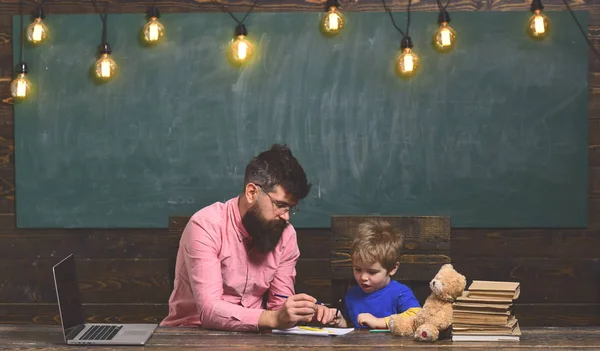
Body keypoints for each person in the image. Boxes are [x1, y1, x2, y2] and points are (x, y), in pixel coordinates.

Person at [161, 144, 328, 331]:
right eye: (280, 205)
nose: (286, 216)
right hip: (191, 333)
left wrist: (298, 311)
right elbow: (209, 311)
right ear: (252, 192)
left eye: (290, 208)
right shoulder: (206, 225)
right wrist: (272, 318)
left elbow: (278, 307)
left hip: (255, 336)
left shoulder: (286, 235)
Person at [316, 219, 422, 329]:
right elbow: (352, 328)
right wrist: (340, 322)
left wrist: (379, 322)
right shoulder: (352, 294)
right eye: (357, 269)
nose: (363, 277)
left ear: (392, 268)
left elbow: (417, 316)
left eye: (372, 272)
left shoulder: (400, 293)